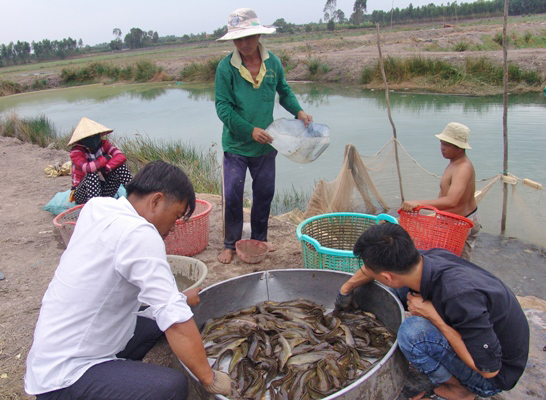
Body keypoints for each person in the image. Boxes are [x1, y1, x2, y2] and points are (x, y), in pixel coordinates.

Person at [25, 161, 232, 399]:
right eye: (175, 216)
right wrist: (210, 379)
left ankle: (118, 372)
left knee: (158, 320)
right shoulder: (139, 233)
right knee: (171, 387)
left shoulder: (98, 207)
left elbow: (111, 279)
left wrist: (180, 298)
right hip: (63, 378)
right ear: (156, 201)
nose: (173, 228)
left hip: (53, 351)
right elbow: (175, 321)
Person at [335, 223, 529, 400]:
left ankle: (459, 391)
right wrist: (345, 290)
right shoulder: (426, 258)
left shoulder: (460, 297)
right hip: (478, 333)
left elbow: (489, 370)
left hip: (494, 375)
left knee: (413, 333)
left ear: (387, 276)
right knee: (398, 289)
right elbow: (372, 272)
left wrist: (434, 318)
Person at [215, 8, 313, 264]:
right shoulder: (226, 69)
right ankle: (229, 243)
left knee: (264, 193)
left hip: (267, 144)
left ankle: (259, 240)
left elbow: (285, 92)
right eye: (239, 39)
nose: (244, 43)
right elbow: (223, 108)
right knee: (233, 194)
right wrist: (249, 130)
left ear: (259, 35)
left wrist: (299, 111)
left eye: (249, 37)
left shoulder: (273, 63)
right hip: (236, 145)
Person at [401, 122, 480, 260]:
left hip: (462, 224)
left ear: (460, 147)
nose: (442, 148)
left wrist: (417, 203)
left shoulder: (463, 168)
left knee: (456, 267)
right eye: (442, 143)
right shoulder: (454, 162)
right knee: (450, 262)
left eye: (447, 145)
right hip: (453, 221)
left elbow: (452, 201)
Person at [68, 117, 133, 204]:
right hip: (83, 194)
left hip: (103, 190)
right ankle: (96, 208)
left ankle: (135, 196)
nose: (93, 139)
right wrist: (105, 158)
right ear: (82, 140)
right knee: (92, 173)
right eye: (89, 137)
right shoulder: (76, 152)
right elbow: (87, 168)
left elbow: (120, 156)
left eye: (95, 136)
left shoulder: (104, 145)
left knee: (120, 167)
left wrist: (106, 168)